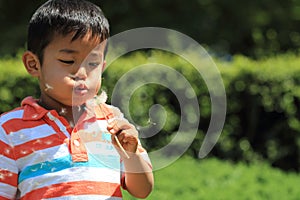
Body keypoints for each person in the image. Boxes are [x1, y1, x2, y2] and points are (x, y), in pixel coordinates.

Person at [0, 0, 154, 199]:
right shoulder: (9, 130)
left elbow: (142, 190)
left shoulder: (112, 121)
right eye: (68, 61)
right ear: (33, 64)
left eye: (93, 63)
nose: (82, 73)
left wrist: (131, 155)